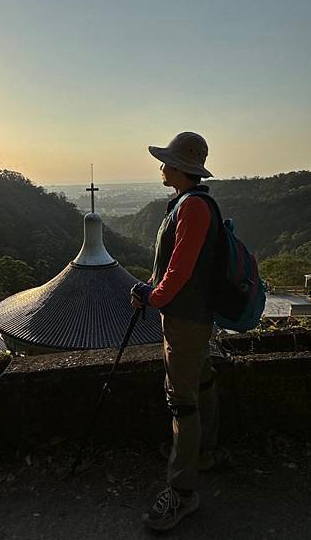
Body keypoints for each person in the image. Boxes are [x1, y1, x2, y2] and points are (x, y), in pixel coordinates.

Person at [130, 131, 220, 532]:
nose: (162, 166)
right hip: (194, 314)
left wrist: (152, 298)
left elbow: (178, 272)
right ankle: (205, 454)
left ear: (181, 168)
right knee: (201, 381)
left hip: (185, 318)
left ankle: (182, 493)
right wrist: (155, 292)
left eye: (166, 160)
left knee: (181, 401)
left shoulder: (193, 209)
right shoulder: (188, 203)